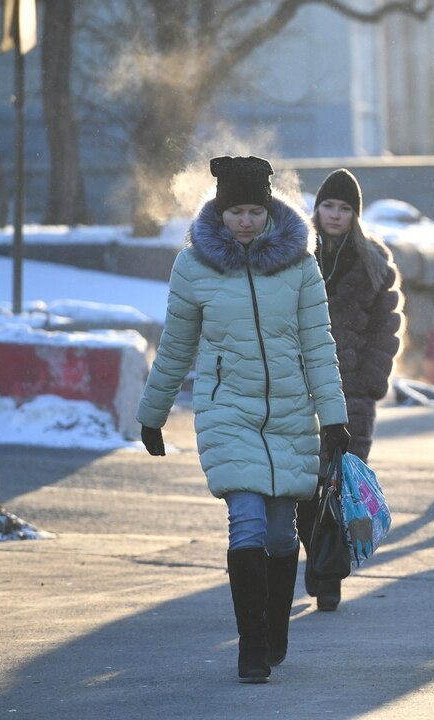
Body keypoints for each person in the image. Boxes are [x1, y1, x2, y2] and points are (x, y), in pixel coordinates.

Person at [136, 155, 349, 683]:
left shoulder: (300, 265)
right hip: (227, 411)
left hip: (289, 414)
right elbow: (177, 345)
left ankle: (275, 627)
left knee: (281, 537)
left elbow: (318, 345)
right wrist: (153, 413)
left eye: (255, 210)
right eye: (236, 211)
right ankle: (250, 645)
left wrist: (334, 419)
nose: (246, 221)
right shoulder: (193, 265)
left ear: (270, 208)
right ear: (220, 211)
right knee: (248, 523)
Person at [295, 168, 405, 611]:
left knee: (340, 485)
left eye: (344, 207)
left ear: (355, 213)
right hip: (299, 392)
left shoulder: (374, 261)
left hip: (352, 392)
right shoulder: (297, 255)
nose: (335, 215)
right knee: (303, 486)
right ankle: (316, 558)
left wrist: (369, 382)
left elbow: (386, 330)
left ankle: (329, 574)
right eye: (328, 206)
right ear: (316, 209)